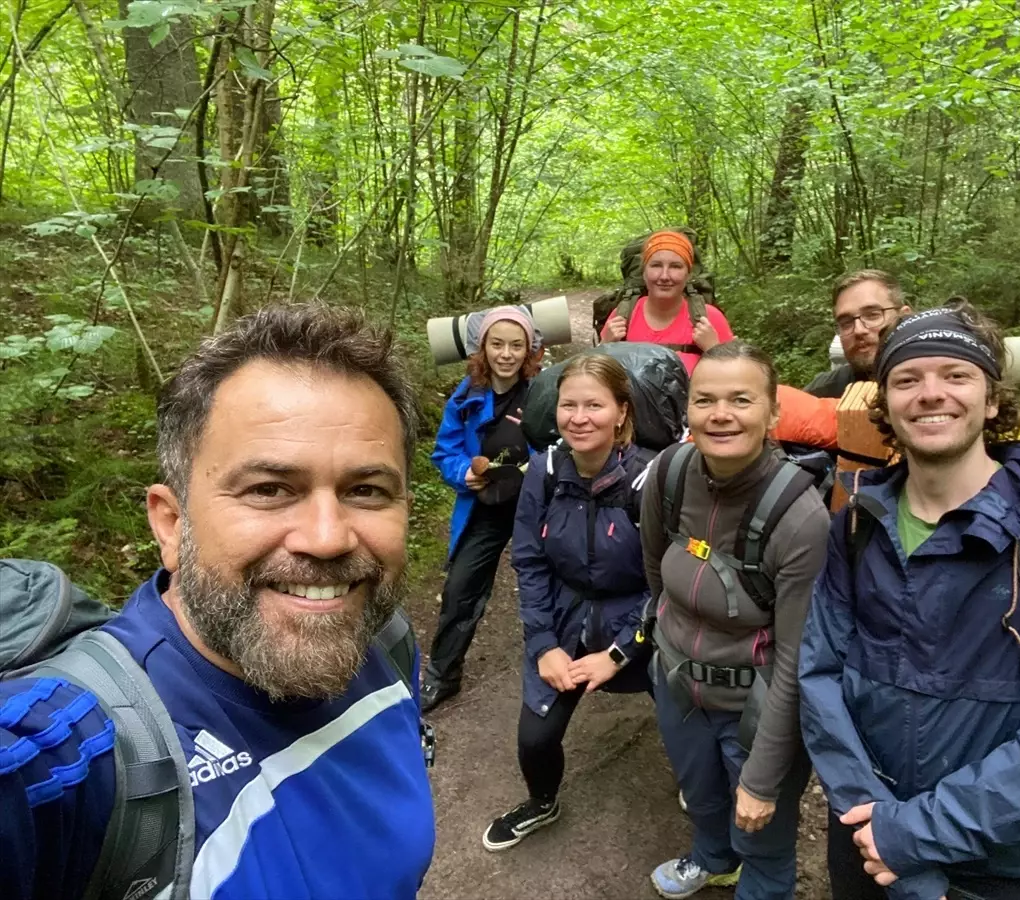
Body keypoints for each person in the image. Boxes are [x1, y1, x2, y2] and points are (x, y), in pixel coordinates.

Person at [0, 305, 435, 900]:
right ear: (172, 523)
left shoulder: (385, 641)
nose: (328, 537)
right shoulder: (74, 752)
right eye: (269, 489)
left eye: (366, 490)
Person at [799, 303, 1020, 900]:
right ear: (885, 404)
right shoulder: (857, 525)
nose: (930, 394)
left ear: (990, 401)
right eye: (907, 379)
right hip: (862, 836)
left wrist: (914, 834)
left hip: (1001, 861)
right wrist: (869, 815)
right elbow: (820, 673)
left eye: (956, 375)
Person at [641, 341, 830, 900]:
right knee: (702, 798)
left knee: (764, 839)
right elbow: (655, 567)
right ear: (688, 411)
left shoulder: (800, 517)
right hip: (678, 687)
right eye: (705, 400)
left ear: (773, 414)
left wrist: (765, 777)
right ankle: (712, 858)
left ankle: (754, 877)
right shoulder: (670, 473)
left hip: (756, 707)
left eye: (741, 400)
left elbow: (798, 657)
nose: (721, 414)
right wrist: (672, 649)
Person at [483, 353, 655, 851]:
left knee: (690, 720)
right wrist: (542, 644)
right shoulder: (545, 471)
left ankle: (705, 797)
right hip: (565, 617)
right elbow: (530, 561)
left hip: (641, 622)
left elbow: (667, 582)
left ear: (622, 412)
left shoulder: (651, 479)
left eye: (594, 405)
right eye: (568, 405)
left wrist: (621, 653)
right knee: (535, 740)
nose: (579, 417)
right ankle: (541, 802)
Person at [422, 306, 539, 712]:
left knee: (553, 584)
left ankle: (558, 669)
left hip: (536, 506)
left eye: (516, 345)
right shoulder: (467, 393)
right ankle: (442, 675)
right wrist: (461, 474)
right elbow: (445, 451)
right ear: (483, 347)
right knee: (460, 590)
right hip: (484, 505)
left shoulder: (544, 391)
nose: (506, 353)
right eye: (497, 344)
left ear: (529, 350)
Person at [600, 229, 735, 375]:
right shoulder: (622, 315)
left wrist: (713, 349)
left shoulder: (709, 318)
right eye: (656, 265)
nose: (664, 276)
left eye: (675, 266)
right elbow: (597, 381)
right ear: (643, 272)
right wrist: (603, 347)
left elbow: (735, 382)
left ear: (688, 274)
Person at [805, 270, 911, 399]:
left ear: (904, 317)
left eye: (872, 315)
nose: (858, 330)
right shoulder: (821, 394)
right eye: (846, 322)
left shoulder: (937, 382)